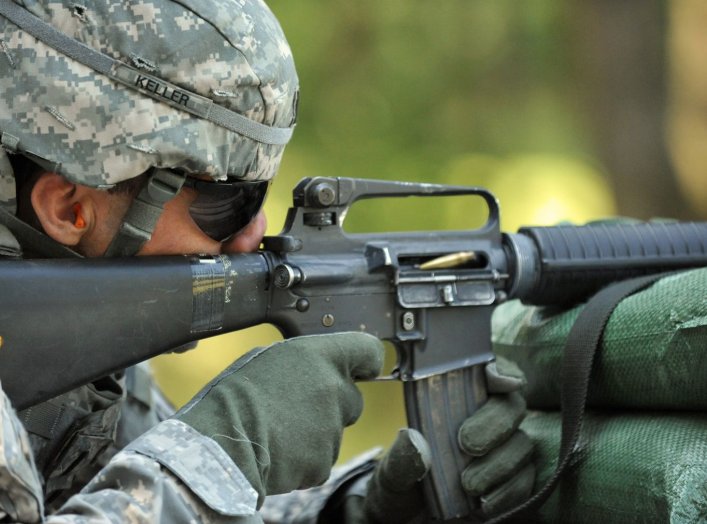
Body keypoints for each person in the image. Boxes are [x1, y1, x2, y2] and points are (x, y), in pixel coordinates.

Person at [0, 1, 535, 522]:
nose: (254, 233)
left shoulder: (72, 344)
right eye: (227, 202)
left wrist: (348, 510)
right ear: (70, 208)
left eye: (260, 194)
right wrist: (222, 450)